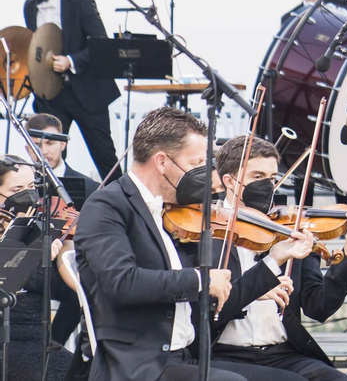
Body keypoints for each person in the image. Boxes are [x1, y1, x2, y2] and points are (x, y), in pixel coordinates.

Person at [72, 105, 247, 381]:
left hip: (184, 355)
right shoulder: (107, 205)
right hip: (138, 362)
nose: (202, 175)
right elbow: (122, 282)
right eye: (195, 164)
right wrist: (200, 280)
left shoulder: (168, 210)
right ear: (162, 161)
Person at [198, 134, 347, 381]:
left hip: (284, 353)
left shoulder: (288, 230)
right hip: (223, 354)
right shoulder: (206, 230)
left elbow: (319, 307)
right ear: (228, 180)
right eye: (257, 177)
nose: (267, 186)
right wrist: (259, 287)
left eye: (272, 178)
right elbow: (205, 309)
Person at [23, 0, 121, 180]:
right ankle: (53, 199)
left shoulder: (80, 1)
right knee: (49, 155)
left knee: (104, 154)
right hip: (52, 95)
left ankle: (121, 198)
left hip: (87, 91)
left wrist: (71, 61)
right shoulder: (30, 7)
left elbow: (100, 41)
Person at [0, 156, 75, 380]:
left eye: (32, 186)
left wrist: (67, 252)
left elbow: (72, 288)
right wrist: (31, 256)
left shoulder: (45, 227)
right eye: (17, 189)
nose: (29, 195)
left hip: (40, 339)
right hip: (7, 340)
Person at [28, 112, 89, 344]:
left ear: (63, 144)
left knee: (81, 291)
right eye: (36, 145)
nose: (44, 151)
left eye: (51, 143)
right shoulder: (21, 183)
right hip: (30, 266)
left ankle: (54, 346)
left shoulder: (89, 186)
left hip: (67, 264)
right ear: (27, 148)